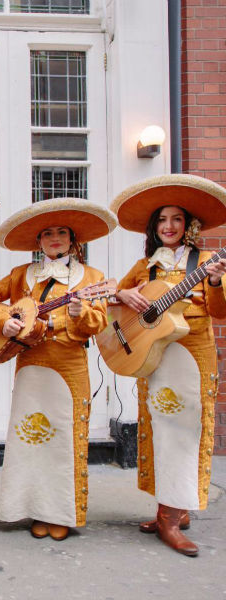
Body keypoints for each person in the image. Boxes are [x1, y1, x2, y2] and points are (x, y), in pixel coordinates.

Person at [0, 198, 117, 541]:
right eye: (47, 233)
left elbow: (99, 323)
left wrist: (80, 314)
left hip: (69, 367)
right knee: (30, 438)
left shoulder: (93, 278)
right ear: (38, 241)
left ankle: (61, 513)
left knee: (64, 439)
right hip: (30, 365)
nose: (55, 238)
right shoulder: (23, 274)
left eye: (62, 232)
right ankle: (32, 508)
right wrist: (4, 320)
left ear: (73, 240)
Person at [111, 174, 226, 556]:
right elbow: (113, 296)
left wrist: (213, 283)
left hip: (193, 355)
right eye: (162, 220)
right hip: (154, 355)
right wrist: (125, 294)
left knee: (187, 428)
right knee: (160, 428)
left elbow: (220, 313)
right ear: (154, 227)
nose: (169, 226)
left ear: (189, 224)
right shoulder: (147, 265)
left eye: (176, 219)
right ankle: (171, 506)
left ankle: (171, 514)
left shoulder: (208, 261)